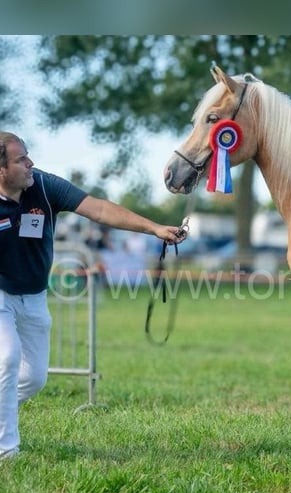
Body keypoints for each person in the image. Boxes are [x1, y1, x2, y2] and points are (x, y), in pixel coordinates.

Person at [0, 131, 187, 460]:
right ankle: (7, 452)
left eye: (28, 155)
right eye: (21, 160)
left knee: (34, 378)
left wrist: (154, 228)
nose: (31, 163)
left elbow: (98, 209)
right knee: (7, 359)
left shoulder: (44, 185)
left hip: (33, 295)